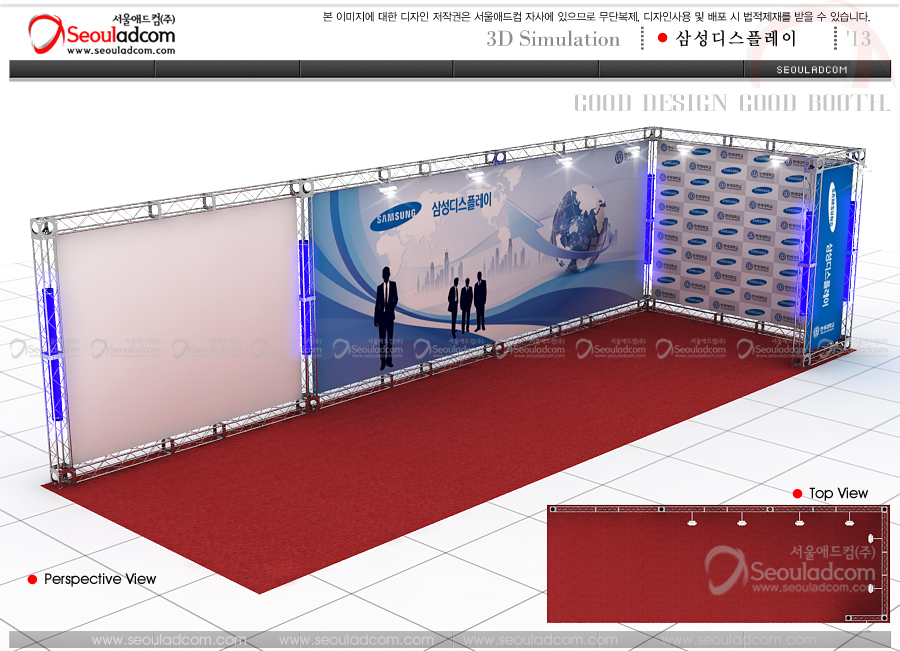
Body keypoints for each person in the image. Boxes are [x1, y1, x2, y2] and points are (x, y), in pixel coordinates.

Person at [374, 266, 398, 371]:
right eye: (384, 274)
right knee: (382, 341)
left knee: (390, 340)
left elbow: (396, 299)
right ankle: (383, 361)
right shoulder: (379, 288)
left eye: (387, 274)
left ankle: (389, 360)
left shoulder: (393, 285)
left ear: (389, 275)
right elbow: (377, 304)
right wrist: (375, 318)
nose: (385, 276)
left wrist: (390, 308)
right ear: (382, 275)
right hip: (381, 318)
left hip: (390, 317)